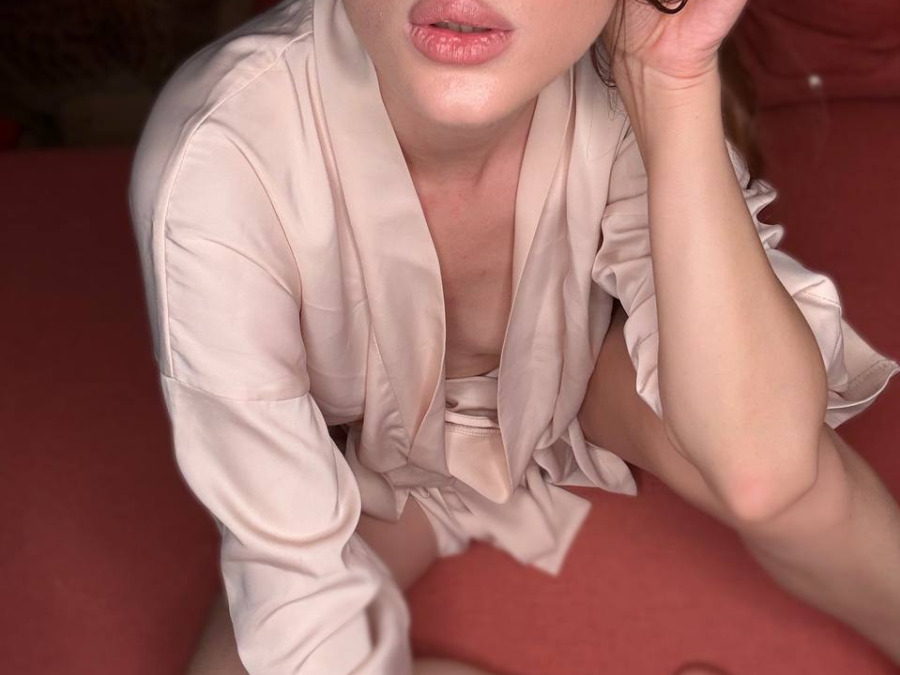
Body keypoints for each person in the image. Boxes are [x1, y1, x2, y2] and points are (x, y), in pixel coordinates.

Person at [128, 0, 900, 672]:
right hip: (369, 464)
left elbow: (766, 468)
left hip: (590, 380)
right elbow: (294, 581)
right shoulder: (222, 157)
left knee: (793, 471)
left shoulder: (619, 78)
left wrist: (671, 85)